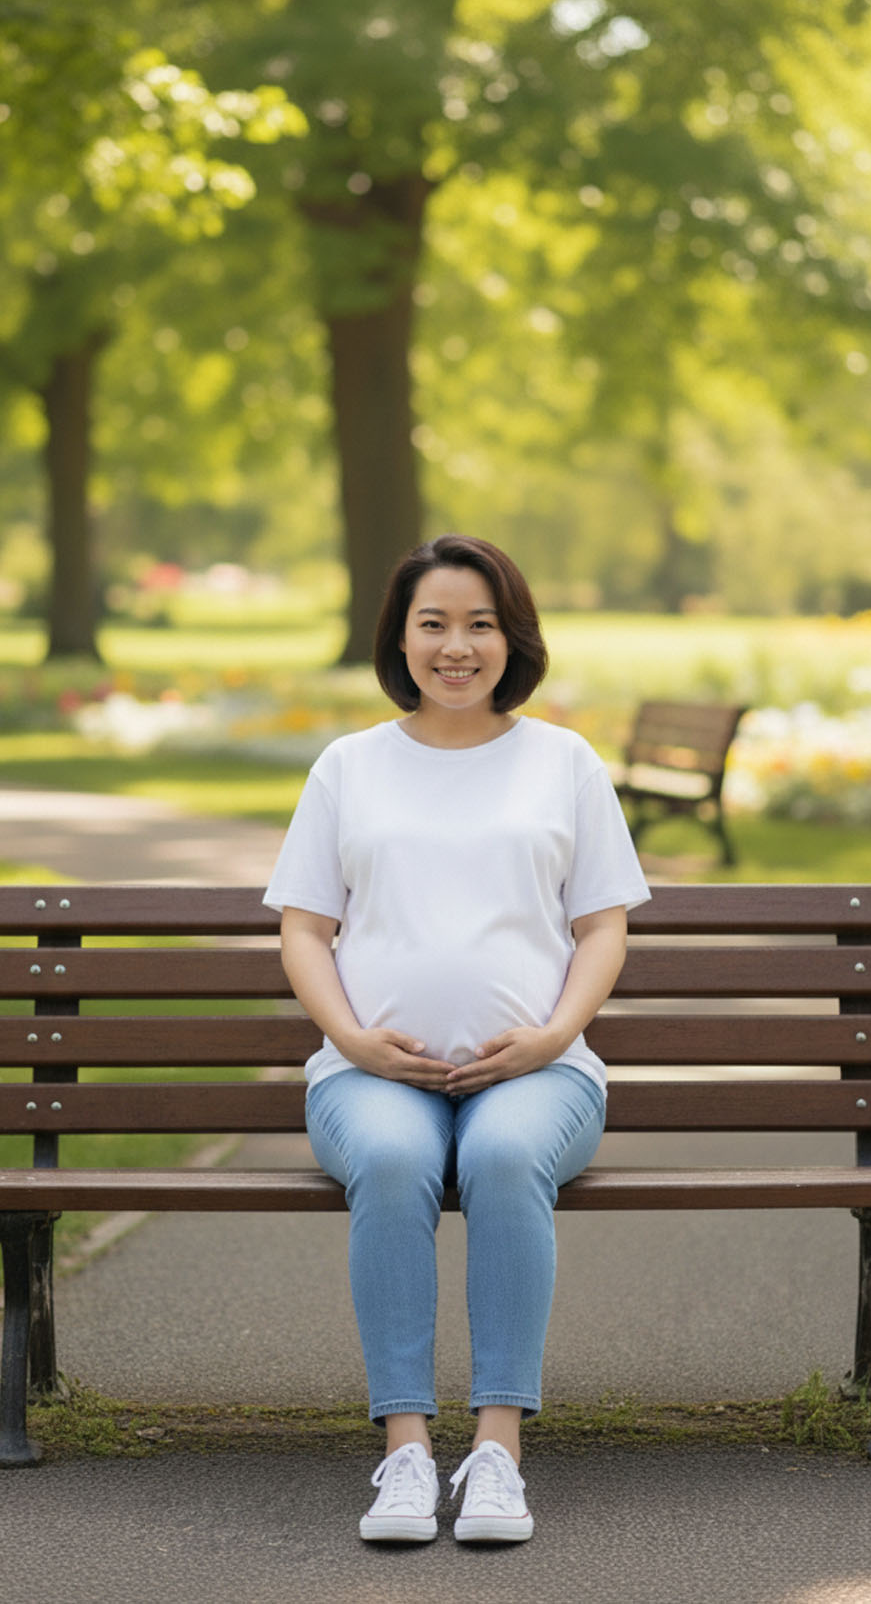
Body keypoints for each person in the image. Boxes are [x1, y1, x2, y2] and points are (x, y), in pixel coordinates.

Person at [263, 535, 649, 1545]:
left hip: (542, 1074)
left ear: (512, 638)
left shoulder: (563, 762)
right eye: (432, 623)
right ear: (400, 638)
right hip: (368, 1075)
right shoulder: (349, 766)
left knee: (505, 1153)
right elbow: (304, 930)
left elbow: (603, 927)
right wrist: (352, 1040)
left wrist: (553, 1035)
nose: (456, 647)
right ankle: (404, 1451)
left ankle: (497, 1455)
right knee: (394, 1159)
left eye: (480, 624)